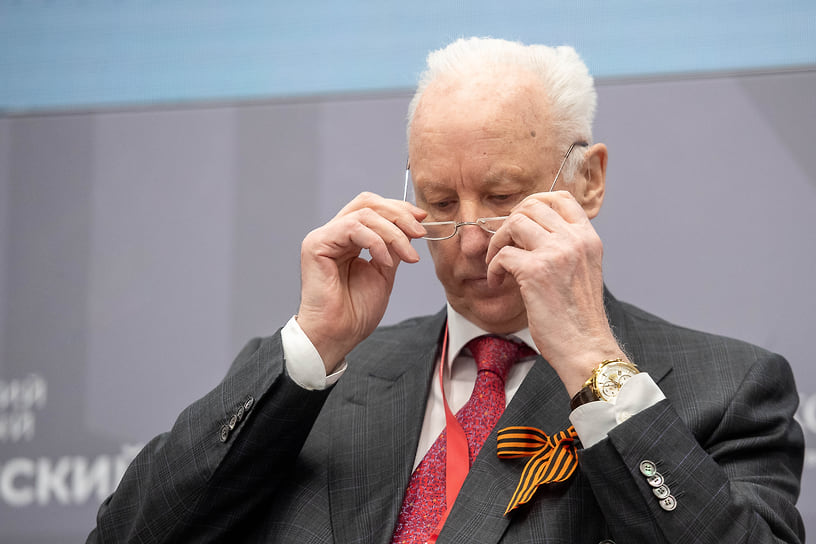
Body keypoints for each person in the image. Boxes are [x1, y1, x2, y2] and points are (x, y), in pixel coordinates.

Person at [88, 37, 804, 543]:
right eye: (437, 201)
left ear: (588, 181)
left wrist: (594, 364)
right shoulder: (317, 383)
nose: (468, 241)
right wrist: (312, 345)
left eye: (501, 197)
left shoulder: (728, 391)